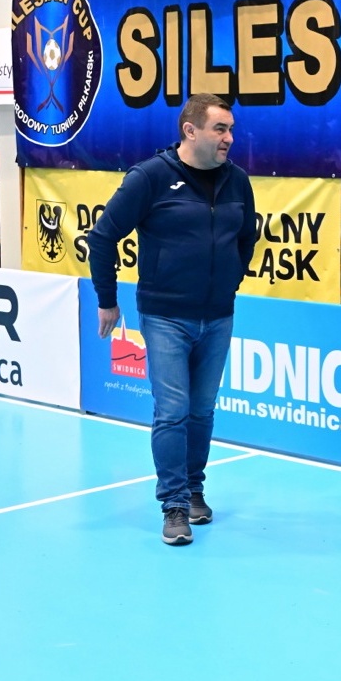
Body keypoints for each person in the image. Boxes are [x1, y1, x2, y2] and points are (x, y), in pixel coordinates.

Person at [88, 94, 257, 546]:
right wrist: (107, 300)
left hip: (218, 316)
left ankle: (195, 490)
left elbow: (247, 237)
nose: (229, 138)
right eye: (220, 129)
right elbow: (102, 238)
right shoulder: (150, 177)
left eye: (231, 129)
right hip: (165, 316)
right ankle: (174, 505)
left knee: (202, 411)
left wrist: (230, 281)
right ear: (190, 130)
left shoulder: (238, 181)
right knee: (173, 410)